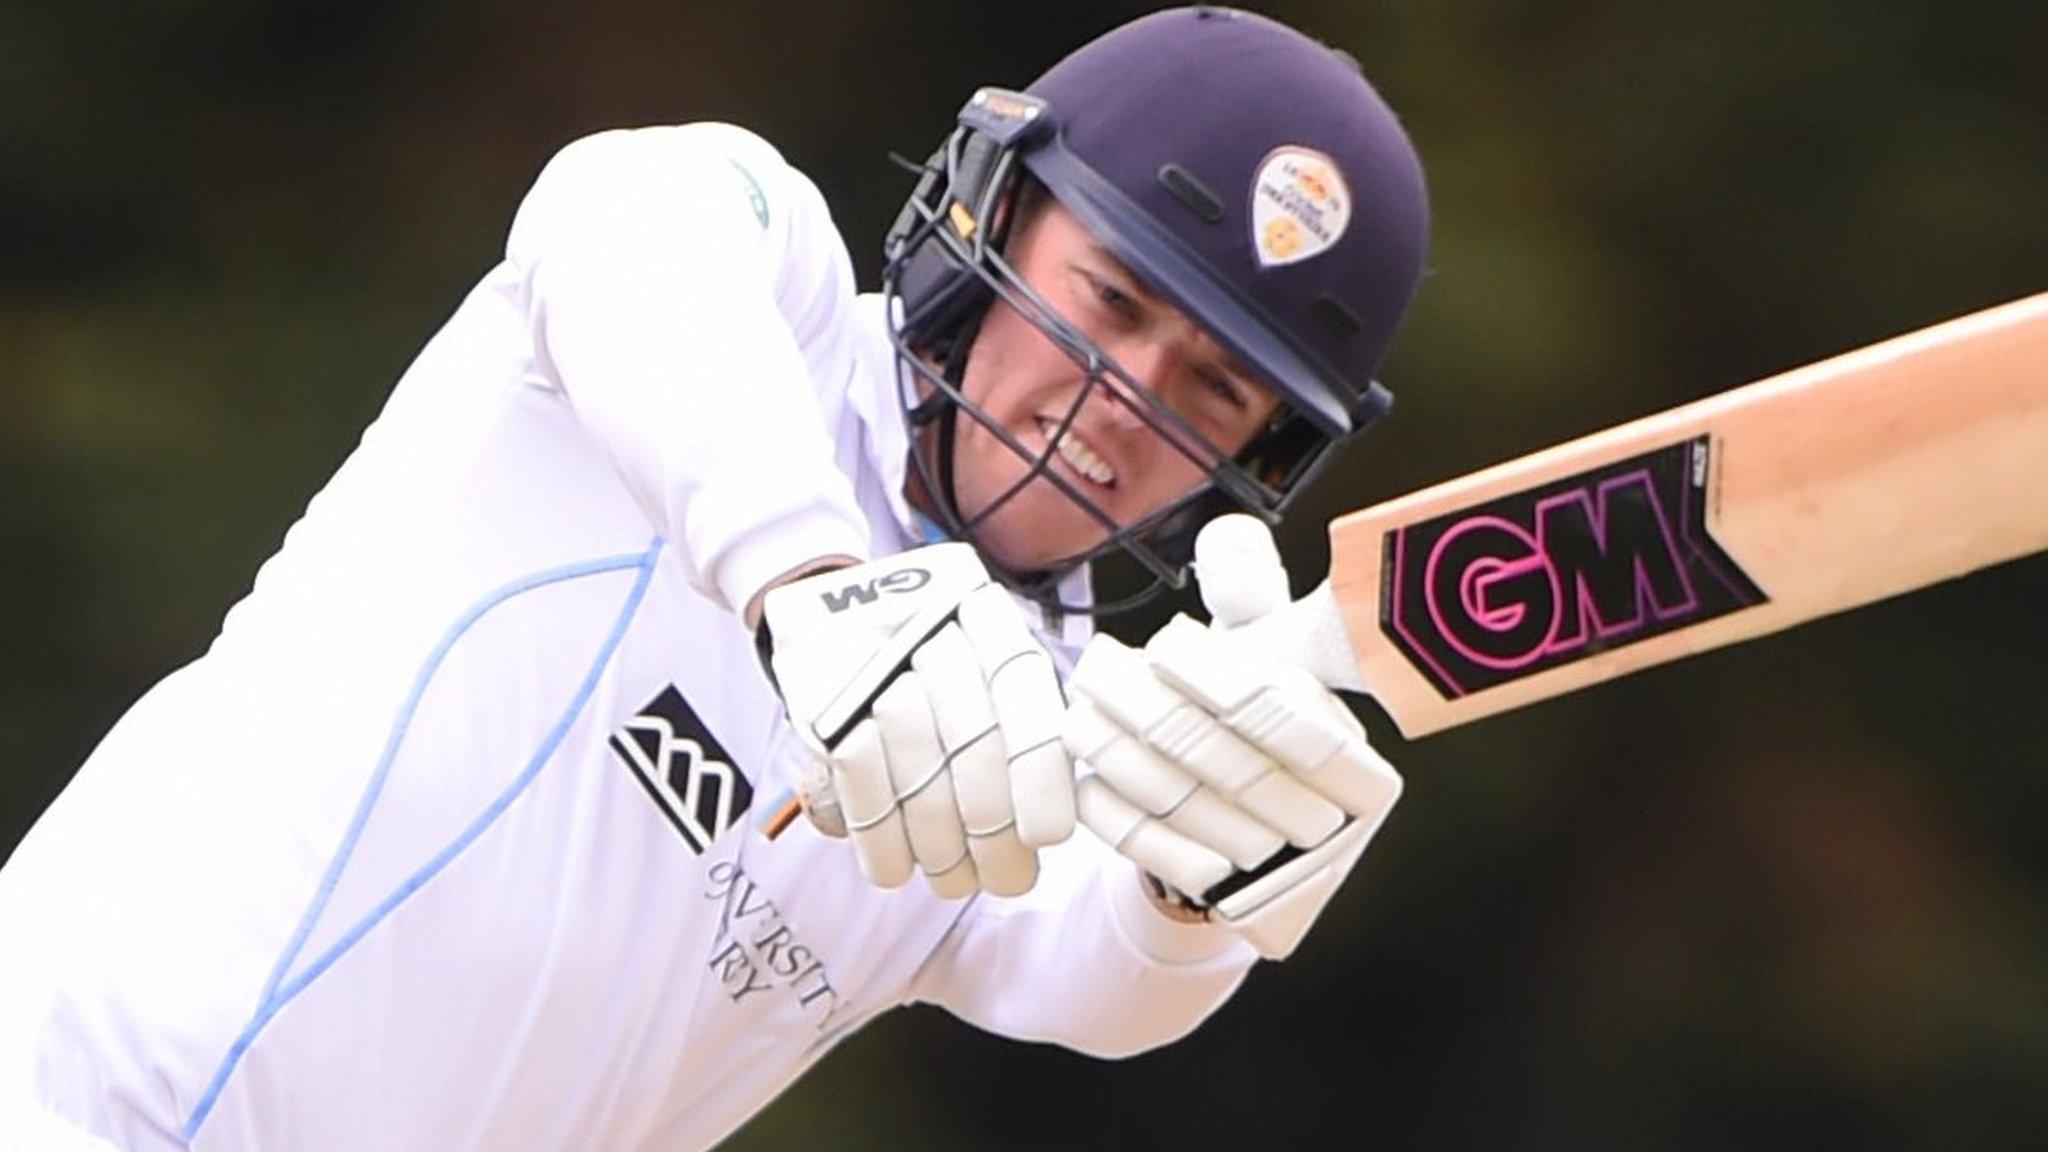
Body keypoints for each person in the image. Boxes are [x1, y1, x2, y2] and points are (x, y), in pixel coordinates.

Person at [0, 7, 1428, 1151]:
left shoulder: (1047, 706)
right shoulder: (768, 309)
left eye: (1218, 386)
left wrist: (1201, 883)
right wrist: (808, 582)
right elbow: (621, 217)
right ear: (989, 215)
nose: (1128, 399)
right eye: (1111, 300)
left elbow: (1087, 978)